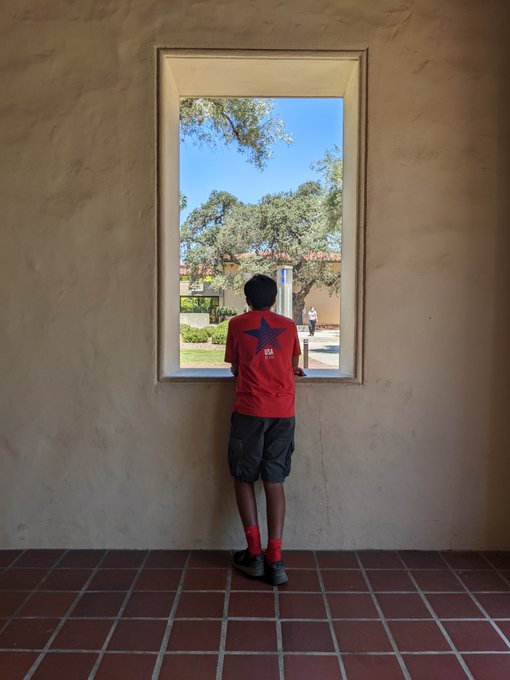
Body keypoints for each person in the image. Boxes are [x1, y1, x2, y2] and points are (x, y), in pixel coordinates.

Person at [225, 274, 305, 585]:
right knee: (275, 481)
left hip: (249, 412)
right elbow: (292, 362)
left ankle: (254, 554)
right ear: (274, 300)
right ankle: (276, 559)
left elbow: (235, 367)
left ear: (247, 300)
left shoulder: (236, 325)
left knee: (243, 477)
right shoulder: (287, 326)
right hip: (283, 414)